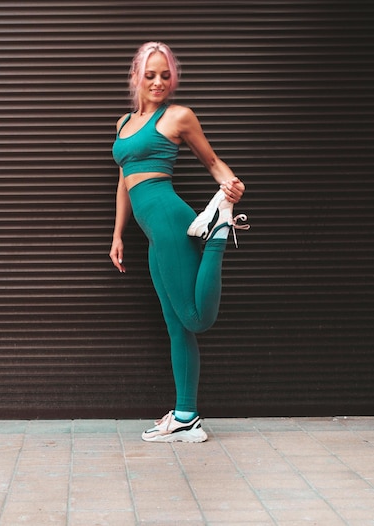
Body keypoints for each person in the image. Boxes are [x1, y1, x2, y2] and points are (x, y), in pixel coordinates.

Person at [109, 41, 249, 443]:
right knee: (177, 328)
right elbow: (124, 181)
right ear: (136, 75)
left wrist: (230, 184)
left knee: (195, 319)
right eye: (150, 74)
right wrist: (118, 234)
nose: (157, 82)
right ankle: (186, 416)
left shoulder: (179, 116)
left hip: (170, 220)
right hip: (151, 232)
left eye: (165, 75)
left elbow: (211, 161)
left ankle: (219, 233)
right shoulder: (122, 124)